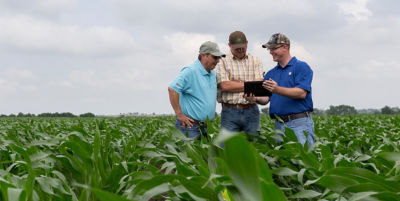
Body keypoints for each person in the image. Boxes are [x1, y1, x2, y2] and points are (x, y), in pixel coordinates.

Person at [246, 33, 315, 146]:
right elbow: (266, 98)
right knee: (282, 161)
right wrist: (254, 98)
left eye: (273, 48)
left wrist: (277, 89)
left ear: (285, 47)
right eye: (269, 49)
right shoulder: (271, 73)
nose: (271, 52)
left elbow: (301, 93)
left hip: (299, 123)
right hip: (279, 125)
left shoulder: (301, 67)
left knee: (303, 160)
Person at [168, 41, 225, 139]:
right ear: (203, 55)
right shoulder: (190, 71)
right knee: (190, 154)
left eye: (218, 58)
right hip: (190, 127)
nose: (218, 61)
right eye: (215, 57)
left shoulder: (212, 74)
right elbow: (172, 89)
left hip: (207, 128)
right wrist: (179, 114)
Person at [215, 31, 264, 136]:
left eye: (243, 47)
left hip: (252, 110)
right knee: (228, 147)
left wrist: (235, 85)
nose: (241, 50)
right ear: (229, 45)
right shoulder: (222, 61)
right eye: (237, 48)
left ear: (247, 43)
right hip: (229, 111)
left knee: (254, 147)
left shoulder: (256, 60)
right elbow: (224, 85)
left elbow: (259, 86)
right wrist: (250, 85)